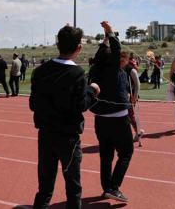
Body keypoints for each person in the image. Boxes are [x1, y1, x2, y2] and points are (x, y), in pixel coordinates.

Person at [30, 25, 100, 209]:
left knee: (44, 188)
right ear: (79, 48)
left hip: (45, 135)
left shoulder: (40, 71)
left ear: (57, 45)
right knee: (73, 188)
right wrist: (92, 91)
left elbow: (33, 104)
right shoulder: (76, 73)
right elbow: (81, 105)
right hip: (68, 138)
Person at [88, 21, 133, 203]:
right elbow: (116, 50)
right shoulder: (113, 67)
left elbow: (102, 53)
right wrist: (111, 33)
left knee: (106, 156)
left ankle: (107, 188)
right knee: (126, 153)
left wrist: (106, 37)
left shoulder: (96, 67)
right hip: (118, 120)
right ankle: (114, 187)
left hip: (100, 120)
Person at [122, 52, 144, 142]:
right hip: (121, 95)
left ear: (127, 60)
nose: (121, 62)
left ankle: (138, 131)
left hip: (130, 95)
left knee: (130, 115)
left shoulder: (130, 70)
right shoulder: (118, 68)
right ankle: (137, 131)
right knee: (125, 115)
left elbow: (137, 84)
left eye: (123, 60)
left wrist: (135, 95)